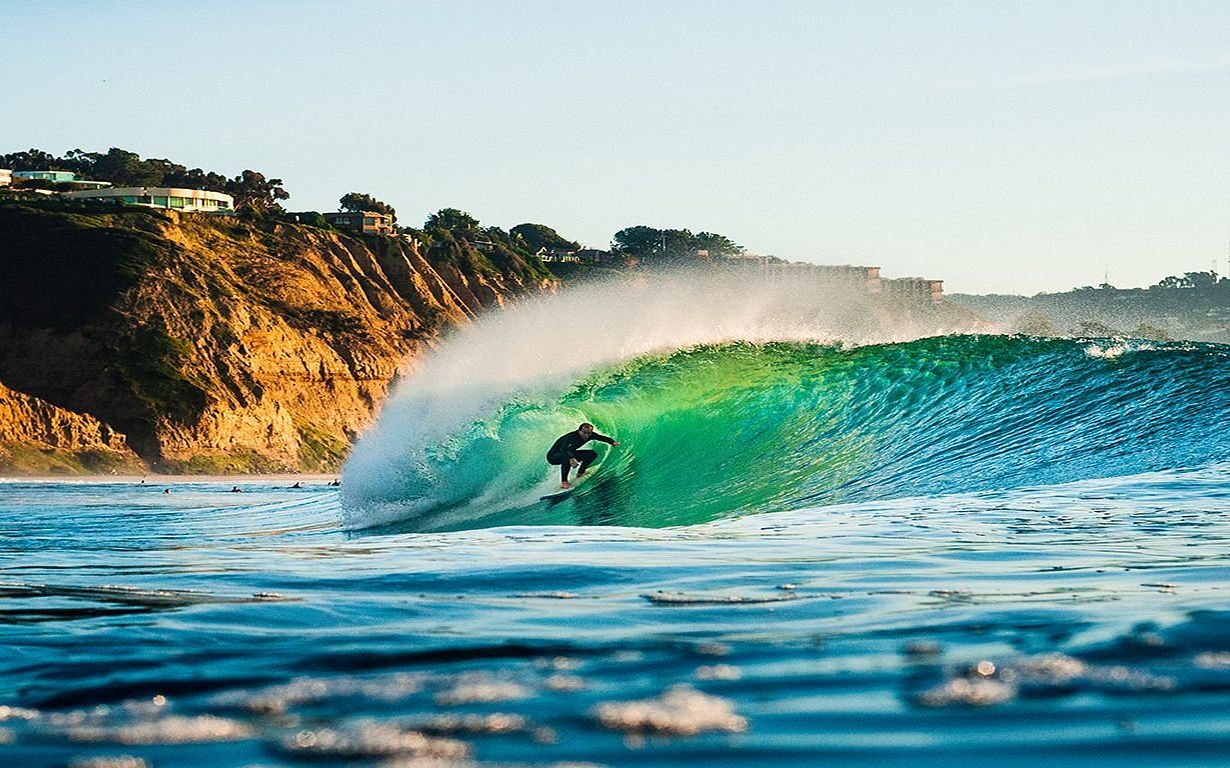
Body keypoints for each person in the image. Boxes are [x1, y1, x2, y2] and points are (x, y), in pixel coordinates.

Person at [546, 422, 620, 489]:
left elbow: (601, 438)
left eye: (589, 433)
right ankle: (564, 482)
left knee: (592, 454)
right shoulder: (571, 437)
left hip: (568, 453)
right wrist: (572, 458)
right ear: (579, 431)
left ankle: (580, 472)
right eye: (584, 433)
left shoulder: (590, 435)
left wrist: (612, 442)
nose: (587, 435)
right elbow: (564, 449)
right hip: (553, 456)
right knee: (567, 457)